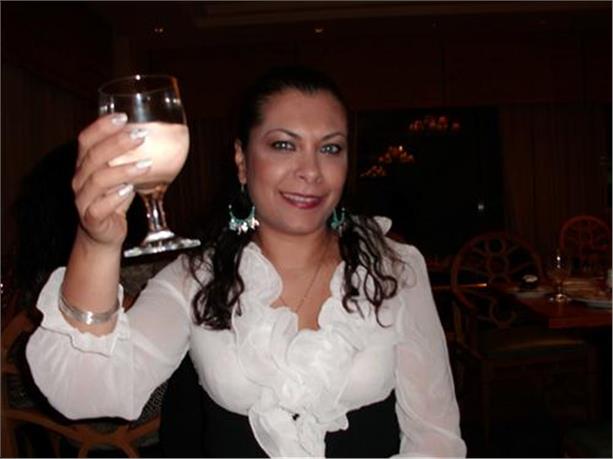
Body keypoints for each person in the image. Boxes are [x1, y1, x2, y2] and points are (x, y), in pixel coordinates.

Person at [26, 66, 466, 457]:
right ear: (241, 160)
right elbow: (85, 390)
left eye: (330, 149)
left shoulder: (393, 268)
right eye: (283, 145)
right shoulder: (195, 280)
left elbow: (436, 437)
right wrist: (96, 244)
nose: (311, 170)